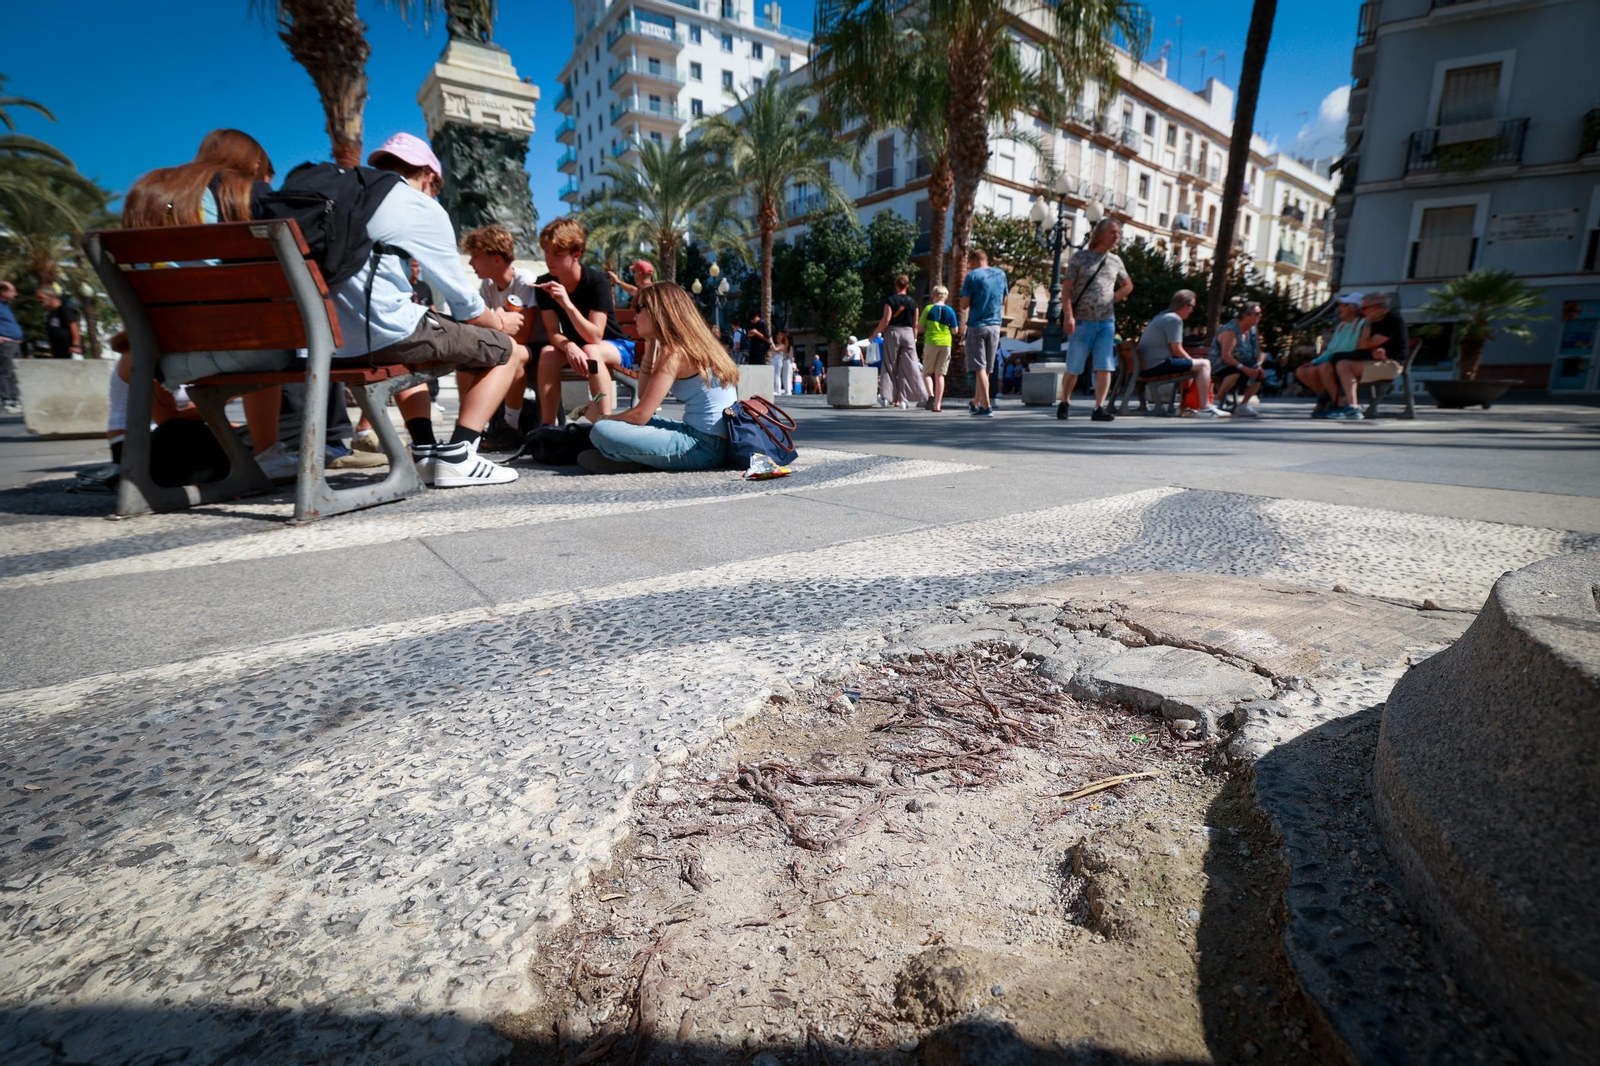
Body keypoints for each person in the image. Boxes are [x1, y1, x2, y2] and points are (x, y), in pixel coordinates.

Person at [333, 132, 528, 487]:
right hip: (382, 332)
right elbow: (466, 306)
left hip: (329, 344)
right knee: (511, 351)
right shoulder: (415, 202)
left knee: (415, 353)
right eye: (436, 189)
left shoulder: (347, 198)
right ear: (428, 176)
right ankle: (459, 455)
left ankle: (424, 452)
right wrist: (499, 322)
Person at [116, 128, 297, 479]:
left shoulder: (148, 188)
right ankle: (268, 452)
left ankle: (151, 460)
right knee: (271, 334)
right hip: (245, 347)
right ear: (256, 160)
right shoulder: (242, 188)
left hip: (158, 350)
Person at [580, 282, 739, 473]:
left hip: (702, 448)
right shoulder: (688, 345)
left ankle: (629, 458)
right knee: (618, 425)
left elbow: (640, 415)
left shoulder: (675, 352)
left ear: (658, 311)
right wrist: (651, 342)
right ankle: (631, 457)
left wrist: (600, 417)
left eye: (639, 308)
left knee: (601, 431)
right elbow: (644, 395)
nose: (634, 315)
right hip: (709, 441)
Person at [532, 217, 636, 425]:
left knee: (591, 350)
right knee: (547, 355)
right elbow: (553, 332)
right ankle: (548, 428)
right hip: (581, 347)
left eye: (557, 254)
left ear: (576, 255)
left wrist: (566, 304)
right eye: (547, 252)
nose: (549, 259)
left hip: (616, 346)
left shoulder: (596, 281)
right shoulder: (544, 284)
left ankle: (606, 426)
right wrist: (569, 345)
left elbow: (595, 335)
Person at [462, 223, 541, 449]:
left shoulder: (523, 281)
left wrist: (495, 325)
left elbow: (524, 334)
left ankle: (510, 426)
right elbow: (480, 329)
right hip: (505, 343)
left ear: (496, 259)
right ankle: (469, 427)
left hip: (535, 347)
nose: (470, 263)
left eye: (475, 257)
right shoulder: (487, 285)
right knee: (465, 361)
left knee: (512, 354)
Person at [1059, 218, 1133, 422]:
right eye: (1113, 232)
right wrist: (1069, 315)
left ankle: (1099, 407)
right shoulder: (1080, 258)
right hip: (1081, 320)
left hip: (1106, 322)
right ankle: (1065, 401)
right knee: (1074, 366)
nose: (1117, 236)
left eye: (1118, 232)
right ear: (1100, 234)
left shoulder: (1116, 261)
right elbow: (1066, 289)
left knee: (1105, 365)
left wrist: (1113, 298)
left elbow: (1127, 285)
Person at [1135, 289, 1223, 418]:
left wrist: (1190, 362)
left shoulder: (1162, 316)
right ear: (1185, 305)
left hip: (1146, 365)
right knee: (1204, 364)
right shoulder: (1174, 319)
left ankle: (1185, 406)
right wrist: (1190, 361)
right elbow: (1176, 349)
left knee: (1193, 364)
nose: (1192, 310)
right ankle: (1205, 407)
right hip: (1156, 365)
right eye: (1192, 306)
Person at [1328, 292, 1407, 422]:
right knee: (1333, 364)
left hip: (1391, 364)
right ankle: (1340, 405)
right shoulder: (1368, 322)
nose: (1361, 311)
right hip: (1372, 361)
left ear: (1379, 307)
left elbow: (1364, 344)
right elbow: (1361, 345)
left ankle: (1352, 407)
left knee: (1343, 365)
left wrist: (1369, 321)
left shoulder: (1393, 320)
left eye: (1364, 308)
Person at [1295, 293, 1365, 418]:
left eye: (1344, 305)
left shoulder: (1361, 323)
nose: (1340, 308)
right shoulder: (1341, 326)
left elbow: (1351, 347)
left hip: (1346, 360)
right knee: (1302, 371)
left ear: (1354, 308)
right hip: (1335, 359)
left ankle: (1338, 404)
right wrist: (1315, 361)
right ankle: (1324, 399)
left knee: (1324, 368)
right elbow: (1331, 349)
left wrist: (1322, 360)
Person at [958, 247, 1009, 418]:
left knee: (979, 366)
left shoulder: (972, 276)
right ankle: (976, 402)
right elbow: (1004, 300)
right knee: (986, 368)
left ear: (973, 262)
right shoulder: (1001, 274)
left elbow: (964, 304)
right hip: (995, 325)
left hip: (977, 325)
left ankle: (987, 406)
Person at [869, 274, 930, 409]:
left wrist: (875, 333)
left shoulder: (890, 300)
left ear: (896, 286)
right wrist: (913, 339)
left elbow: (886, 319)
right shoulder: (913, 303)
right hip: (908, 333)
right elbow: (915, 324)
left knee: (890, 365)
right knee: (910, 366)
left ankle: (887, 396)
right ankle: (915, 396)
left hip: (893, 332)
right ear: (907, 286)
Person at [1210, 302, 1267, 419]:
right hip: (1221, 364)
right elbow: (1226, 356)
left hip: (1243, 363)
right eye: (1257, 314)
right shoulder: (1230, 331)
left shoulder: (1252, 330)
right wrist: (1244, 368)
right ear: (1246, 315)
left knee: (1259, 374)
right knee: (1235, 372)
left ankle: (1243, 404)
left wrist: (1258, 364)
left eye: (1260, 314)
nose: (1260, 316)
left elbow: (1258, 350)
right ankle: (1217, 399)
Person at [917, 285, 958, 412]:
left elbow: (920, 328)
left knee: (927, 373)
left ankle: (931, 395)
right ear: (946, 297)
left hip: (931, 342)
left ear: (933, 296)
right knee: (940, 375)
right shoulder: (950, 311)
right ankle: (938, 405)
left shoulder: (928, 309)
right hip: (946, 343)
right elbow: (955, 331)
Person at [36, 286, 80, 359]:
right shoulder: (50, 313)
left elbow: (74, 327)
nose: (38, 300)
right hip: (58, 352)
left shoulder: (64, 309)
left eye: (40, 297)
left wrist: (76, 346)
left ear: (51, 296)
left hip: (70, 351)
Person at [0, 281, 22, 411]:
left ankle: (15, 399)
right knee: (6, 371)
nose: (15, 294)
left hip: (14, 343)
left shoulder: (6, 306)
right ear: (3, 292)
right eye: (12, 291)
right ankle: (8, 400)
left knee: (14, 372)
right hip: (5, 343)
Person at [769, 331, 795, 397]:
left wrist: (771, 341)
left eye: (779, 338)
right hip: (778, 360)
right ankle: (781, 390)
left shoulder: (783, 346)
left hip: (782, 360)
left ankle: (780, 390)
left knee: (781, 376)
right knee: (780, 376)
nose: (777, 339)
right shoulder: (779, 345)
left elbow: (775, 349)